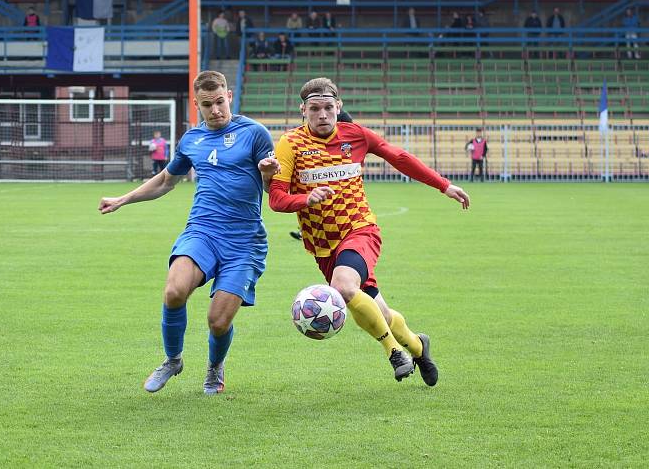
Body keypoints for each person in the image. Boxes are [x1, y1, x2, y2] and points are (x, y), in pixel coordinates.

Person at [265, 78, 469, 385]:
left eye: (328, 108)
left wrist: (444, 185)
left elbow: (398, 157)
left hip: (360, 229)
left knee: (344, 288)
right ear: (303, 110)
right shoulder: (290, 144)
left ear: (338, 107)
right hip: (322, 245)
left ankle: (394, 352)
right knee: (380, 312)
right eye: (315, 109)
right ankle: (417, 346)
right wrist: (306, 198)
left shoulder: (355, 135)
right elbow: (277, 200)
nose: (323, 115)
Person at [98, 71, 278, 395]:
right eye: (207, 105)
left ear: (230, 97)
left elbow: (272, 191)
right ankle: (173, 360)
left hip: (244, 241)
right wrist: (123, 199)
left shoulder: (255, 134)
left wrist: (267, 176)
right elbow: (166, 180)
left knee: (218, 321)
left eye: (220, 102)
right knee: (174, 291)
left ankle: (214, 367)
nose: (216, 110)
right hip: (203, 231)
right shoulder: (191, 140)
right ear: (197, 105)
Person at [289, 108, 353, 241]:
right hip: (317, 166)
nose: (323, 115)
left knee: (330, 201)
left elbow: (350, 132)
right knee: (314, 199)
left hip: (335, 167)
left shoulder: (344, 116)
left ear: (337, 104)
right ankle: (305, 230)